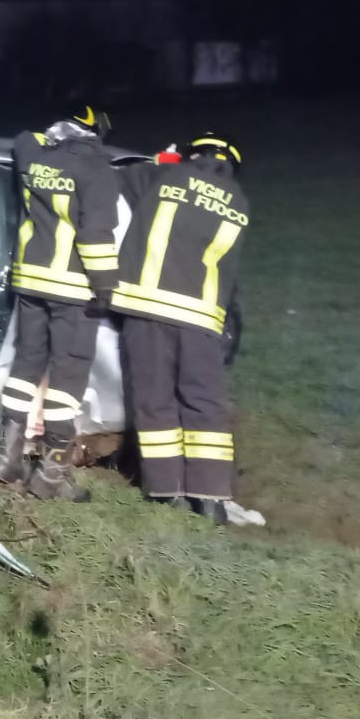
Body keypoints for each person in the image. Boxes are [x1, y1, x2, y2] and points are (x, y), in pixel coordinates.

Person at [112, 135, 251, 525]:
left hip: (149, 307)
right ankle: (210, 499)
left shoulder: (164, 176)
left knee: (155, 400)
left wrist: (164, 157)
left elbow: (122, 177)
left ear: (190, 156)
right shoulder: (238, 200)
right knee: (204, 405)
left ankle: (166, 493)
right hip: (203, 318)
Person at [0, 105, 121, 502]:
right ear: (95, 133)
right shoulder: (98, 172)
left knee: (25, 365)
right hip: (71, 288)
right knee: (67, 379)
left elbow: (23, 138)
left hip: (30, 281)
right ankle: (51, 477)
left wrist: (51, 138)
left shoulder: (35, 156)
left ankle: (6, 460)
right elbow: (96, 237)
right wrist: (106, 289)